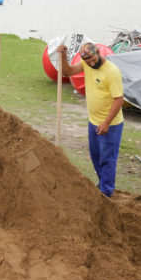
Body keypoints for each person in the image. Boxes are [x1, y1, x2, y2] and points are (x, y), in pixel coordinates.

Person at [57, 41, 124, 197]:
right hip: (93, 121)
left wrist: (106, 123)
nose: (92, 63)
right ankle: (102, 184)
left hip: (110, 125)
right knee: (96, 157)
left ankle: (106, 192)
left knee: (107, 159)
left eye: (94, 59)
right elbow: (67, 72)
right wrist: (63, 55)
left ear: (99, 52)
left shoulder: (112, 72)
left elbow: (119, 99)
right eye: (89, 61)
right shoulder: (86, 64)